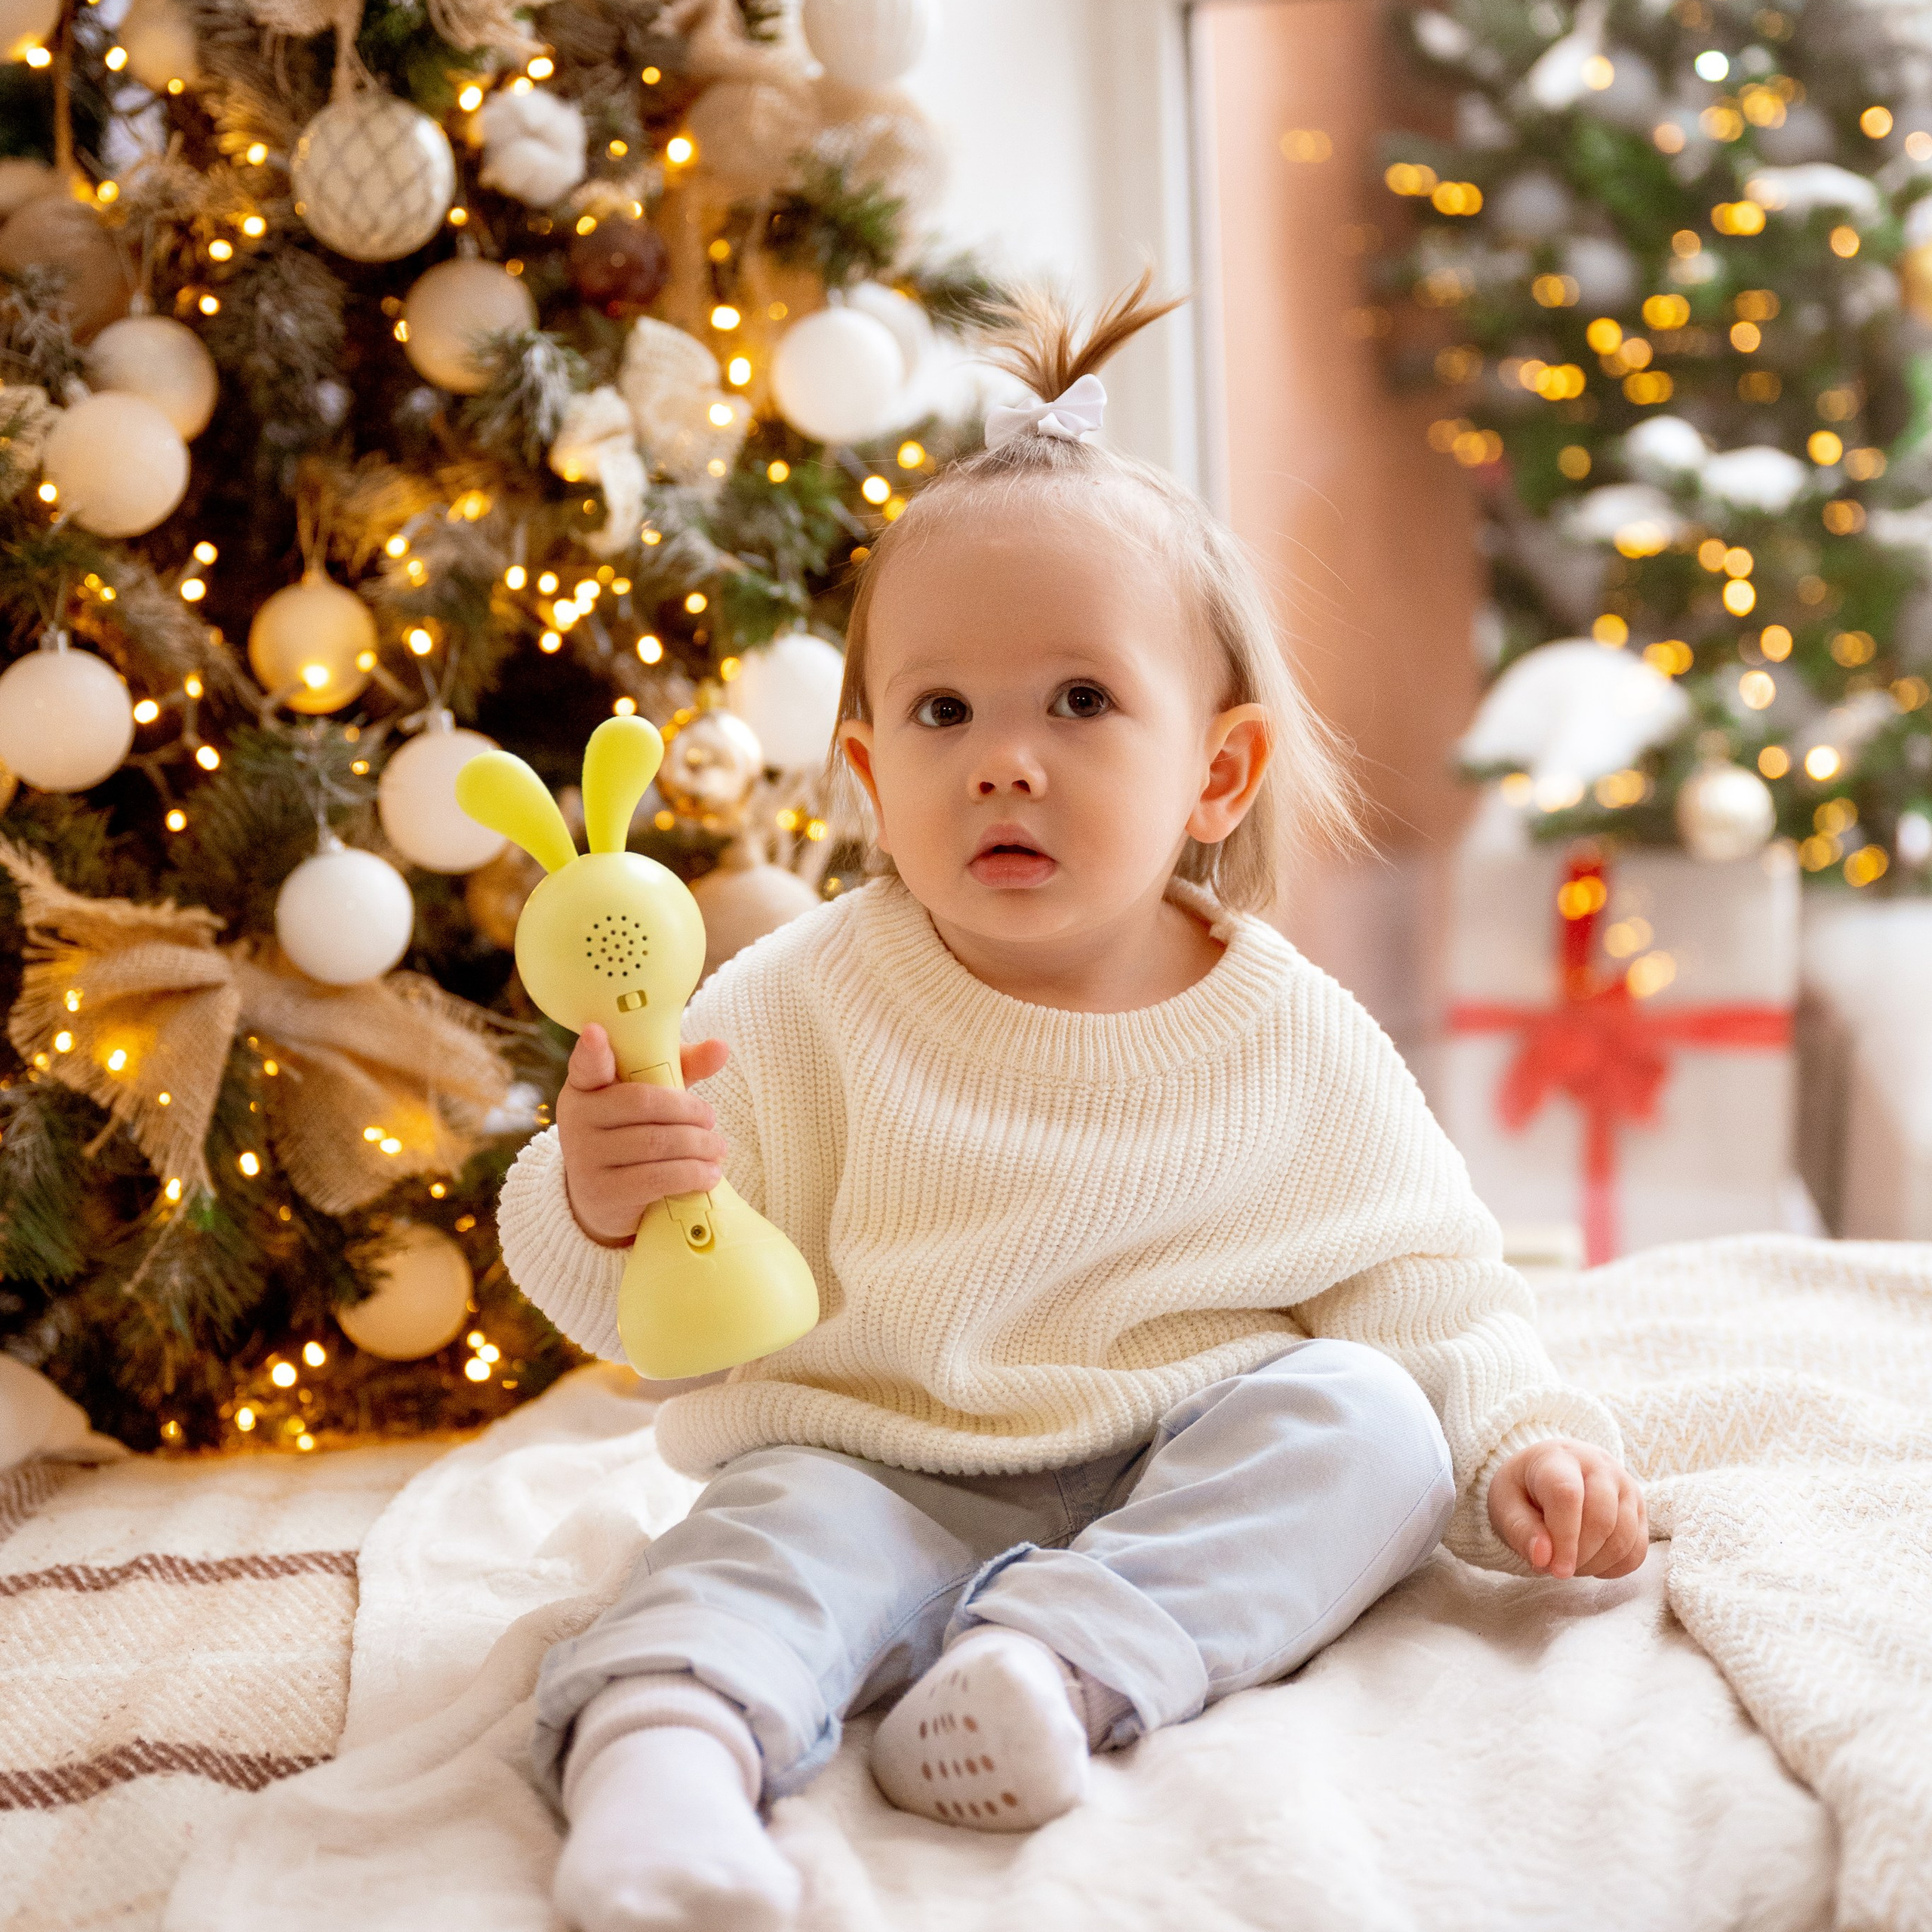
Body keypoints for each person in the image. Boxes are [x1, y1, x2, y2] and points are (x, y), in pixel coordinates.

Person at [496, 272, 1648, 1932]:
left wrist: (1523, 1435)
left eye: (1082, 702)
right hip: (872, 1459)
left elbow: (1425, 1287)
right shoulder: (797, 1001)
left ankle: (1046, 1665)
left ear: (1216, 773)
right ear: (870, 773)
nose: (1004, 759)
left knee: (1366, 1423)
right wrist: (598, 1193)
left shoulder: (1285, 1031)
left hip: (1176, 1463)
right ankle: (659, 1766)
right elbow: (651, 1304)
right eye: (942, 711)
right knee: (757, 1547)